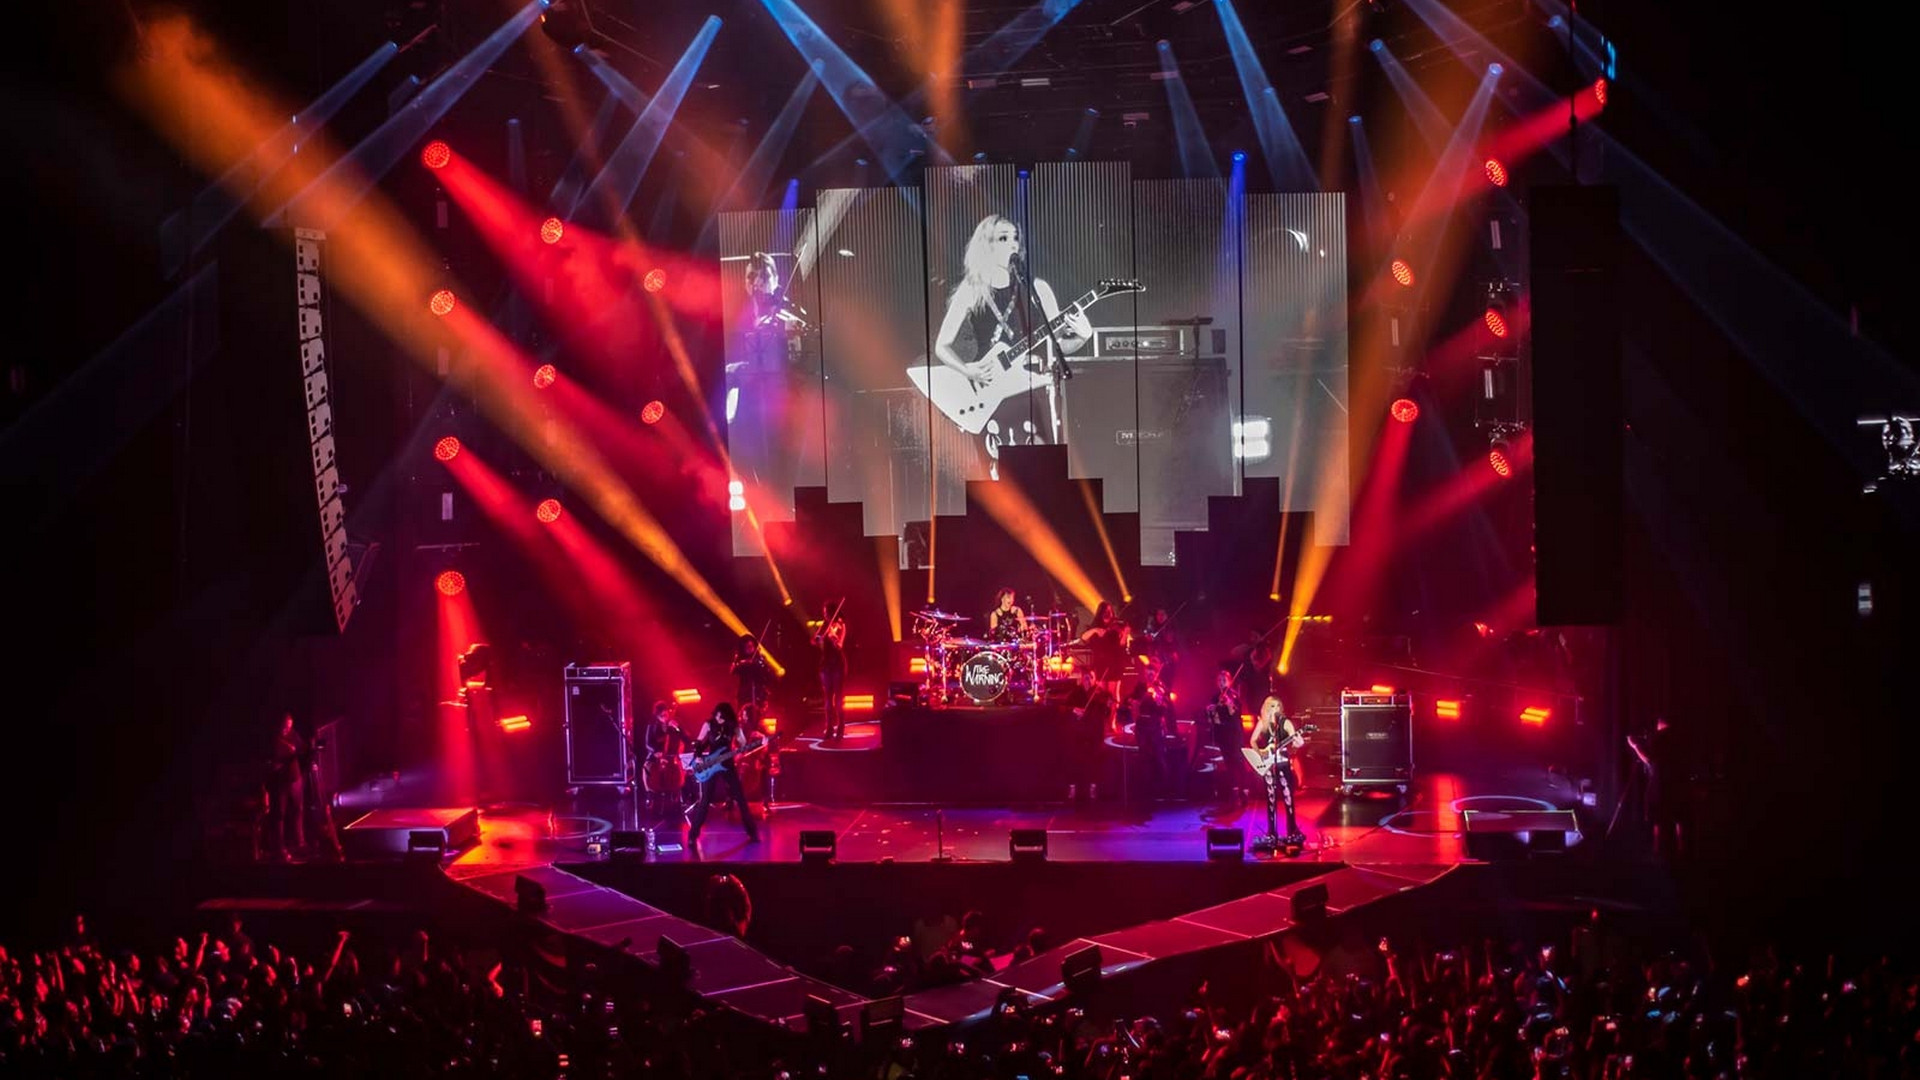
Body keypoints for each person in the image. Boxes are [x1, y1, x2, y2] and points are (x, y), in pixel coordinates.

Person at [930, 214, 1092, 473]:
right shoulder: (971, 290)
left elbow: (1057, 348)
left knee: (1042, 471)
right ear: (986, 245)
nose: (1013, 243)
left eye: (1015, 238)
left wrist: (1082, 336)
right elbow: (942, 346)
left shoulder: (1038, 289)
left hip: (1033, 389)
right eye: (1003, 238)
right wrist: (967, 370)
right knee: (1000, 475)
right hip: (991, 391)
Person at [686, 703, 760, 846]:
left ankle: (752, 833)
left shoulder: (734, 727)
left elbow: (743, 744)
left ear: (727, 716)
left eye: (721, 716)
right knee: (705, 801)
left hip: (727, 764)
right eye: (717, 715)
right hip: (711, 763)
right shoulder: (708, 724)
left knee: (741, 799)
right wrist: (698, 755)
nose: (718, 718)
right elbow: (698, 742)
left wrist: (745, 746)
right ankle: (692, 836)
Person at [1248, 695, 1306, 852]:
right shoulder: (1263, 723)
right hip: (1269, 765)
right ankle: (1271, 833)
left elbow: (1294, 743)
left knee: (1288, 797)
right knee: (1271, 799)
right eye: (1272, 706)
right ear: (1266, 708)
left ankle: (1292, 830)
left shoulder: (1286, 723)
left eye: (1278, 706)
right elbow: (1253, 740)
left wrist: (1298, 744)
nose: (1275, 709)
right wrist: (1260, 752)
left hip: (1283, 763)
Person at [1628, 716, 1688, 860]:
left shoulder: (1661, 738)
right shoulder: (1680, 738)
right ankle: (1682, 852)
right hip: (1677, 785)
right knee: (1678, 818)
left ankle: (1657, 852)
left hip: (1661, 785)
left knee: (1658, 819)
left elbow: (1649, 759)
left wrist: (1635, 746)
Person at [1190, 667, 1245, 803]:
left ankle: (1244, 790)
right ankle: (1234, 791)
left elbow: (1235, 714)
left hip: (1234, 733)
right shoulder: (1215, 697)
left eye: (1224, 680)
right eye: (1219, 680)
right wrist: (1210, 711)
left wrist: (1228, 703)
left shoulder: (1234, 695)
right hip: (1222, 733)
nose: (1221, 683)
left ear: (1229, 681)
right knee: (1228, 762)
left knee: (1238, 761)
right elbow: (1212, 720)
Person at [1079, 601, 1131, 730]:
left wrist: (1125, 634)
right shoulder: (1095, 627)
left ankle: (1112, 721)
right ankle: (1101, 721)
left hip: (1114, 663)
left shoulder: (1116, 627)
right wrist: (1096, 630)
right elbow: (1083, 638)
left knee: (1113, 694)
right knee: (1101, 695)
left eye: (1110, 611)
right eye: (1105, 611)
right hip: (1100, 664)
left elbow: (1121, 645)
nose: (1108, 614)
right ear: (1100, 613)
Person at [1127, 658, 1172, 801]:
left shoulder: (1161, 687)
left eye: (1152, 673)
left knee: (1159, 757)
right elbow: (1130, 699)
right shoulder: (1140, 686)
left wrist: (1159, 701)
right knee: (1144, 758)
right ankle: (1146, 791)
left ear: (1156, 674)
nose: (1150, 676)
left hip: (1155, 725)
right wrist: (1133, 702)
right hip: (1142, 725)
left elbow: (1165, 708)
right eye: (1148, 673)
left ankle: (1163, 791)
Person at [263, 713, 306, 861]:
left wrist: (295, 750)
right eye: (285, 727)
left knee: (298, 810)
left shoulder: (293, 734)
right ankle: (280, 848)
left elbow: (302, 748)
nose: (287, 729)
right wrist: (276, 764)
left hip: (295, 778)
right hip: (281, 782)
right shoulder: (273, 738)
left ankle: (300, 843)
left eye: (289, 727)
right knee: (279, 814)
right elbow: (268, 759)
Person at [640, 701, 691, 817]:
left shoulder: (676, 722)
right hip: (656, 755)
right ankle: (649, 794)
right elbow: (647, 743)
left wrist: (678, 728)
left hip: (672, 757)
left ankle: (676, 793)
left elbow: (687, 739)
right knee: (646, 768)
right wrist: (655, 751)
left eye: (666, 715)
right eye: (661, 716)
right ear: (657, 716)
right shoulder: (652, 724)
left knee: (681, 771)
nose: (664, 718)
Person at [813, 602, 848, 739]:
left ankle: (841, 727)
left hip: (838, 664)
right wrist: (819, 638)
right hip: (826, 664)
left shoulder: (840, 625)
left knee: (838, 698)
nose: (824, 615)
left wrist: (833, 636)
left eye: (826, 612)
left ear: (831, 612)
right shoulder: (824, 625)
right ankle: (829, 728)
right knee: (827, 698)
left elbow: (839, 645)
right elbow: (814, 640)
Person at [730, 634, 773, 715]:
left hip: (759, 692)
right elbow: (733, 671)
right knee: (743, 713)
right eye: (747, 647)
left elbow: (767, 672)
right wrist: (744, 663)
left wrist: (758, 663)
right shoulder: (739, 658)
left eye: (751, 646)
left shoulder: (760, 658)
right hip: (744, 692)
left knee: (758, 713)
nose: (749, 649)